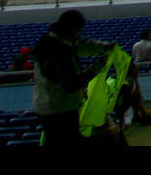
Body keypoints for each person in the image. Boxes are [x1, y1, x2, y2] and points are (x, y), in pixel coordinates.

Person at [32, 9, 117, 146]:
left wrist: (104, 47)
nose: (79, 35)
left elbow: (81, 46)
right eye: (78, 31)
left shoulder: (54, 40)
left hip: (51, 107)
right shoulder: (58, 52)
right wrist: (97, 67)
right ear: (72, 30)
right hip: (58, 109)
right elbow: (70, 85)